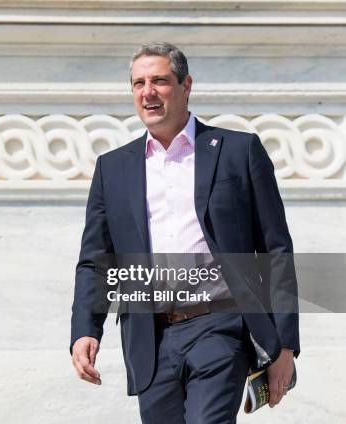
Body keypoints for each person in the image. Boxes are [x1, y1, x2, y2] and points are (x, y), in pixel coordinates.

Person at [69, 42, 299, 424]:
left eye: (160, 80)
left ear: (186, 85)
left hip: (220, 327)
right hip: (149, 337)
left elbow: (276, 250)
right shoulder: (113, 169)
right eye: (139, 83)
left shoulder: (238, 152)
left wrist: (285, 345)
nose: (148, 92)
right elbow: (96, 261)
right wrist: (85, 329)